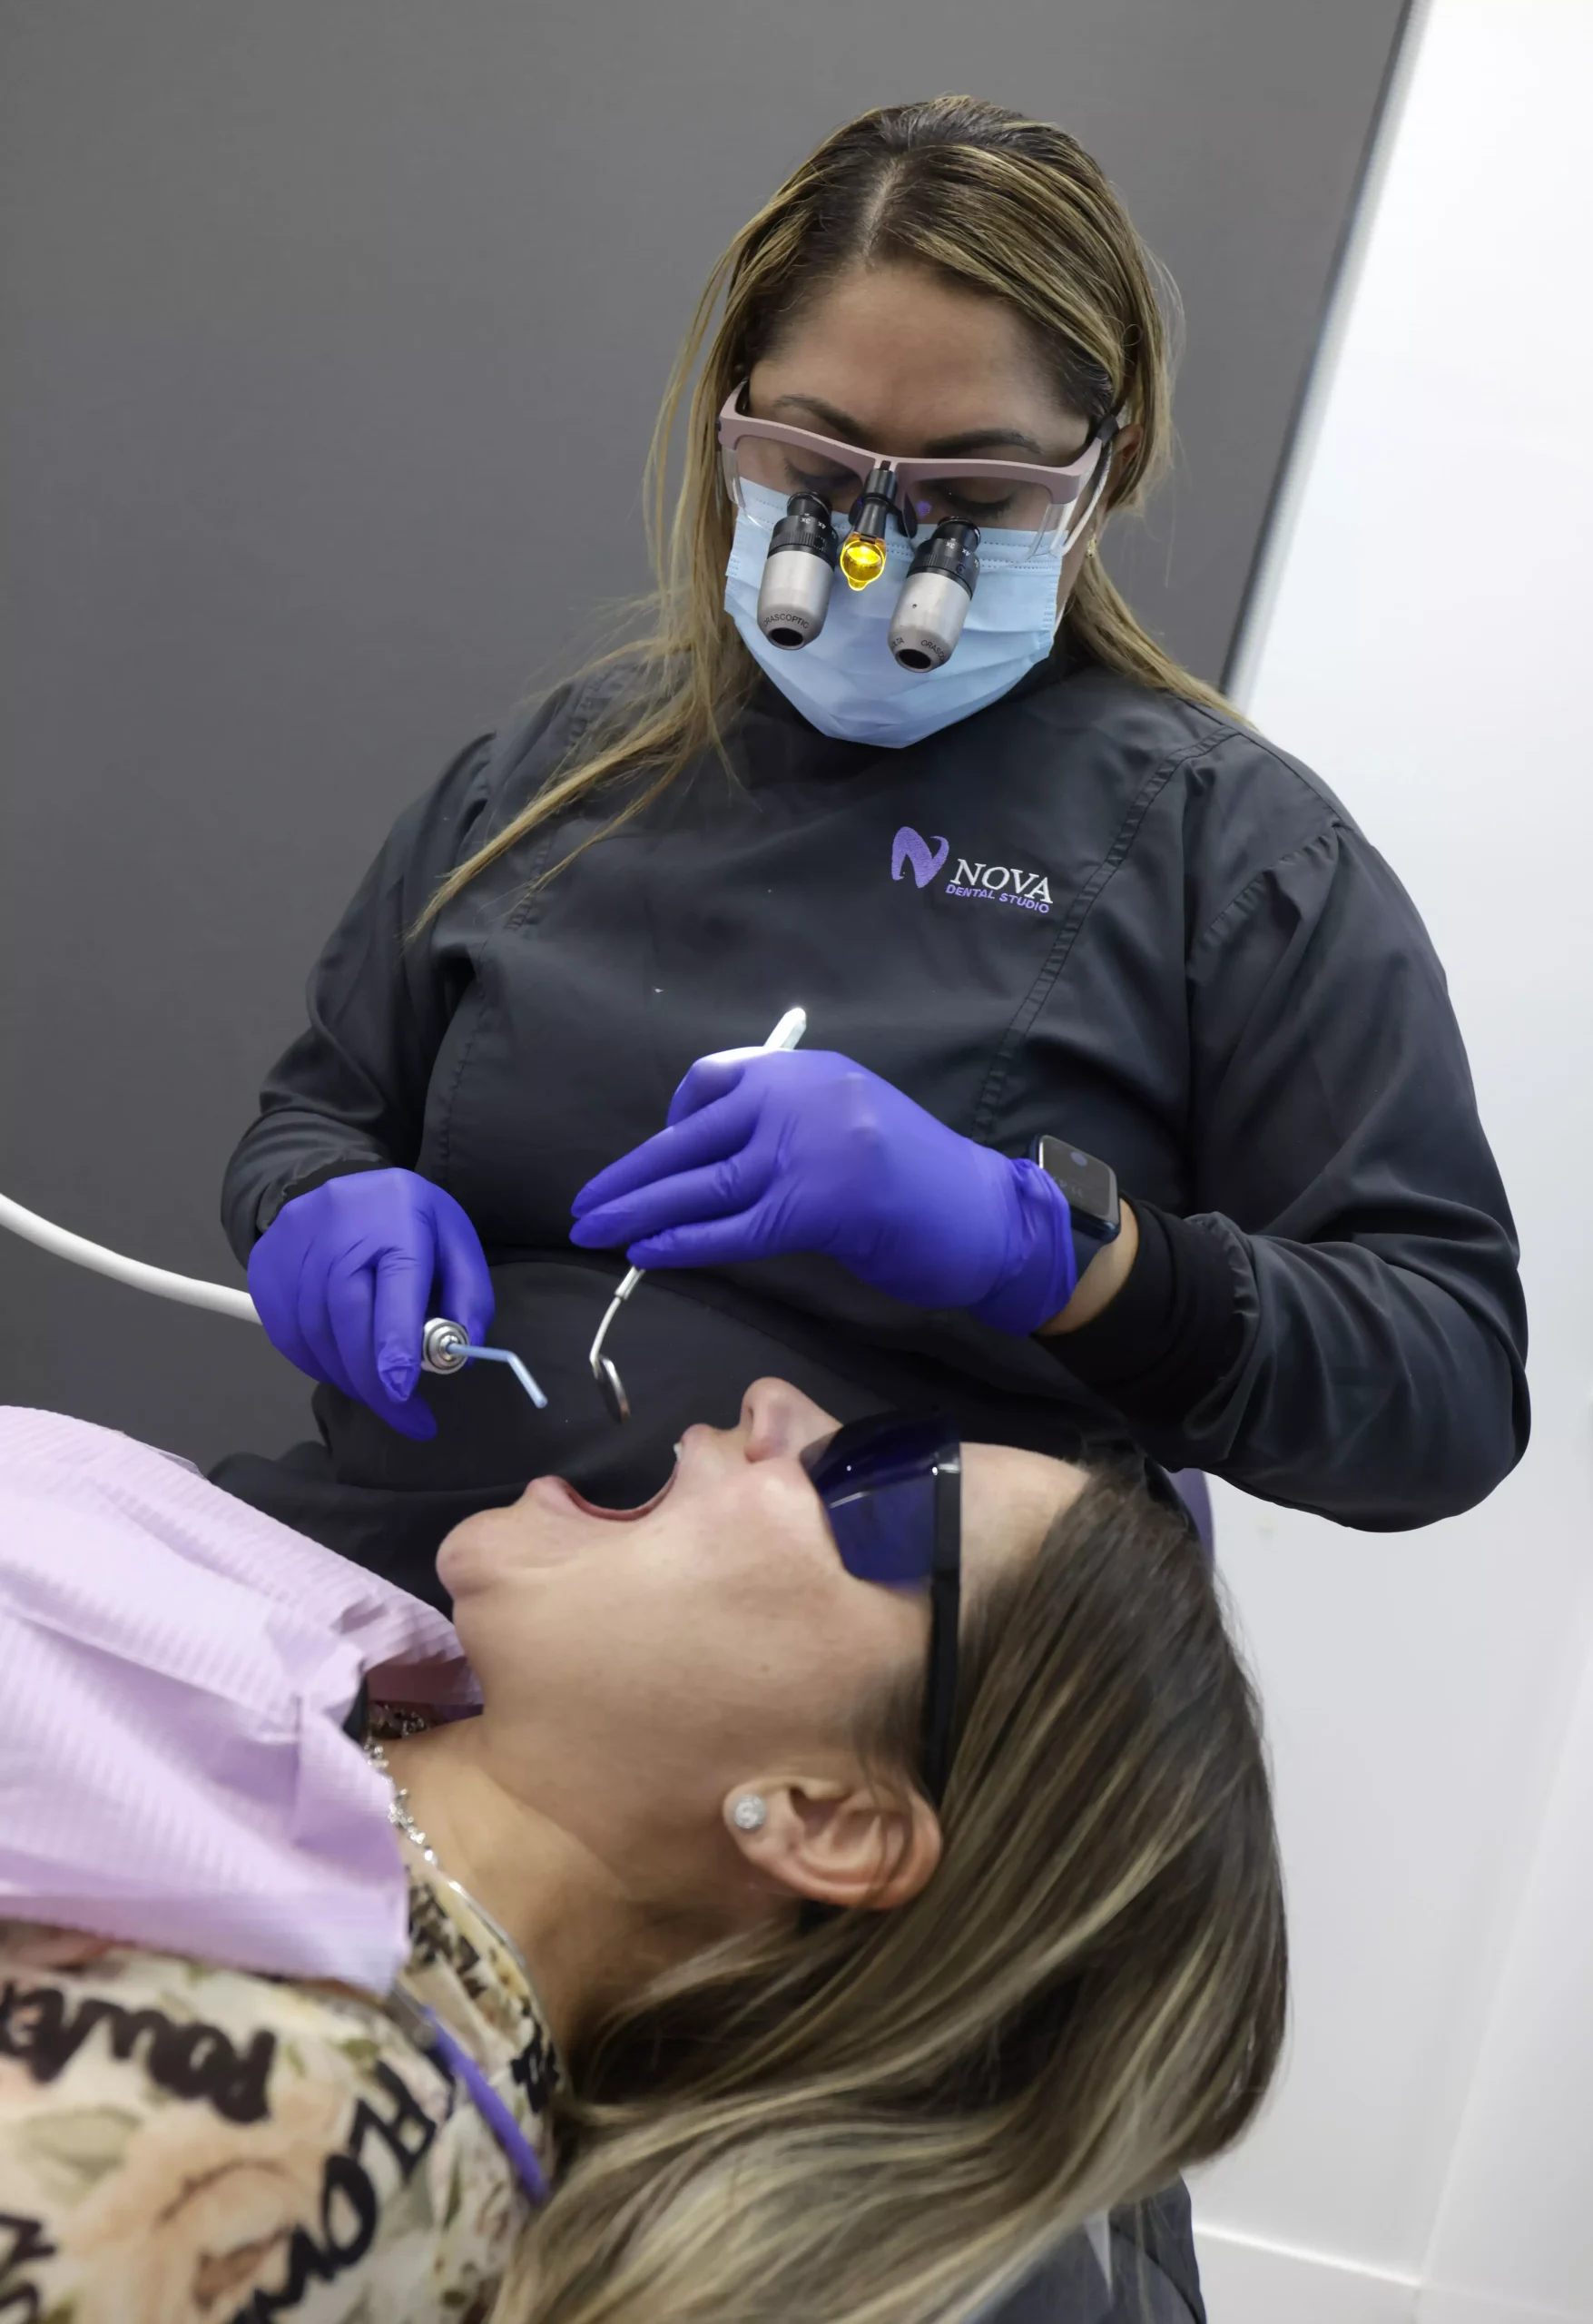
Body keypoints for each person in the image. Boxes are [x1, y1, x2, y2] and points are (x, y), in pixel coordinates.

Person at [210, 93, 1525, 2316]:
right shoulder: (554, 776)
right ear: (726, 413)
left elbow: (1445, 1385)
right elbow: (320, 1103)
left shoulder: (1224, 860)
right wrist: (322, 1200)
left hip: (826, 1829)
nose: (876, 544)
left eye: (969, 489)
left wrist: (1058, 1253)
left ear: (1103, 467)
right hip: (391, 1642)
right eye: (816, 458)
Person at [0, 1383, 1284, 2324]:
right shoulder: (380, 1699)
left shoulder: (271, 2145)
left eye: (884, 1479)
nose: (775, 1405)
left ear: (825, 1819)